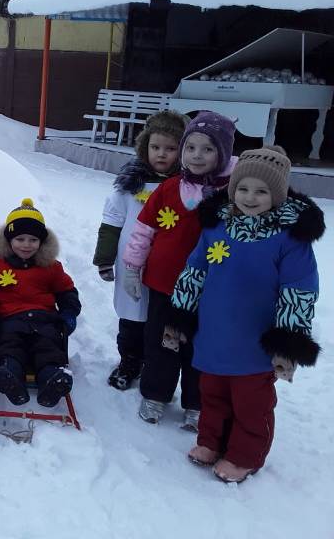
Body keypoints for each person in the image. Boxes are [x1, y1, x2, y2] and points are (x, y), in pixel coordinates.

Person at [165, 146, 323, 482]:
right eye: (243, 188)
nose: (250, 198)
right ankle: (210, 441)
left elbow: (299, 291)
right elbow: (195, 271)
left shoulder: (289, 239)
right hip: (214, 334)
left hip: (254, 342)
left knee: (251, 403)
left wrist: (287, 342)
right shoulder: (216, 227)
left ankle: (244, 456)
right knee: (213, 394)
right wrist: (180, 315)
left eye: (261, 191)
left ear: (277, 195)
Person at [122, 111, 237, 429]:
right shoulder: (170, 188)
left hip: (209, 289)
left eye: (208, 149)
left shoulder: (231, 193)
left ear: (223, 153)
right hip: (164, 285)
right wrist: (132, 267)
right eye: (191, 147)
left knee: (200, 346)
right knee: (161, 342)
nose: (197, 155)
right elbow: (143, 229)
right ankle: (155, 394)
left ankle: (197, 402)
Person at [93, 111, 187, 390]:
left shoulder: (187, 187)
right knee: (132, 315)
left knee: (159, 318)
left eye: (170, 148)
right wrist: (105, 258)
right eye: (155, 147)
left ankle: (154, 362)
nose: (161, 154)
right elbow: (112, 222)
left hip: (168, 267)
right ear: (145, 146)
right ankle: (129, 360)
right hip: (131, 263)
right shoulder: (129, 185)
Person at [0, 199, 81, 407]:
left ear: (41, 242)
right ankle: (9, 374)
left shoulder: (51, 267)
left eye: (33, 240)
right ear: (8, 240)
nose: (26, 245)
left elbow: (67, 291)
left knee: (48, 346)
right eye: (20, 239)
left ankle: (52, 377)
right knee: (9, 345)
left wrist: (68, 313)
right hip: (8, 320)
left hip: (44, 321)